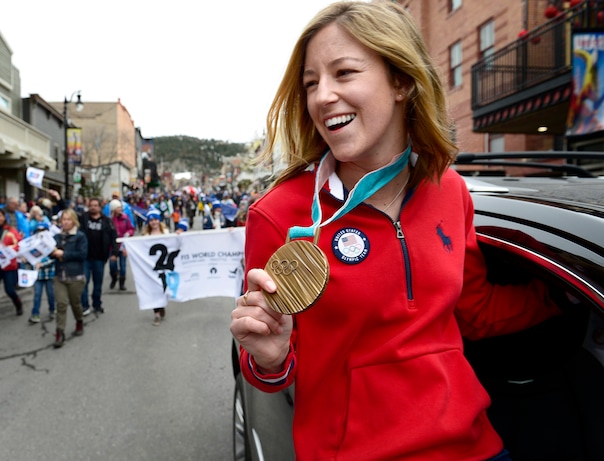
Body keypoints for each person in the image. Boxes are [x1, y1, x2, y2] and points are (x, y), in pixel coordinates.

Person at [229, 2, 564, 460]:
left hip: (475, 447)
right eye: (311, 83)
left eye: (343, 73)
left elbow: (476, 310)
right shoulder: (277, 215)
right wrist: (267, 358)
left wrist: (558, 300)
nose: (322, 95)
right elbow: (273, 365)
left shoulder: (449, 190)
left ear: (401, 81)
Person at [50, 209, 88, 348]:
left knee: (75, 303)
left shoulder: (80, 236)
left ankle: (79, 321)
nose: (65, 222)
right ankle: (60, 332)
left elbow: (82, 255)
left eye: (68, 219)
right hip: (60, 275)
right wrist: (51, 252)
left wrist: (63, 253)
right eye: (63, 219)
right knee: (61, 304)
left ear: (73, 221)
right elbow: (51, 252)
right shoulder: (57, 237)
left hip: (75, 276)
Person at [79, 197, 118, 315]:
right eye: (91, 205)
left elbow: (113, 237)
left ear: (100, 207)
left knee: (98, 283)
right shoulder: (83, 218)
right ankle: (84, 306)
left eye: (95, 205)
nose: (93, 207)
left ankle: (97, 304)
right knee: (83, 283)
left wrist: (114, 252)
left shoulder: (106, 221)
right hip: (85, 256)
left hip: (100, 257)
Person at [142, 208, 169, 326]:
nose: (153, 222)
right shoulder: (145, 235)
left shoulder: (166, 233)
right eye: (151, 220)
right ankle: (156, 314)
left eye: (155, 220)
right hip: (151, 268)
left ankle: (161, 304)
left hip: (164, 268)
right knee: (153, 290)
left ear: (159, 221)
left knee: (162, 289)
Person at [27, 222, 56, 323]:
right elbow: (29, 257)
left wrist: (42, 263)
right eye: (38, 231)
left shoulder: (52, 244)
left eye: (43, 231)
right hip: (37, 275)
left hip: (49, 273)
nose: (41, 234)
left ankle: (52, 310)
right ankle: (35, 314)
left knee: (51, 293)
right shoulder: (32, 245)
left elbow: (54, 258)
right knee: (37, 294)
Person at [108, 198, 134, 291]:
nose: (120, 209)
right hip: (113, 246)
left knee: (123, 266)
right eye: (118, 208)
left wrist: (128, 233)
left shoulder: (125, 218)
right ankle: (114, 278)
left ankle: (122, 282)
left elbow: (131, 228)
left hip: (123, 246)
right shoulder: (109, 220)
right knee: (112, 266)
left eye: (120, 207)